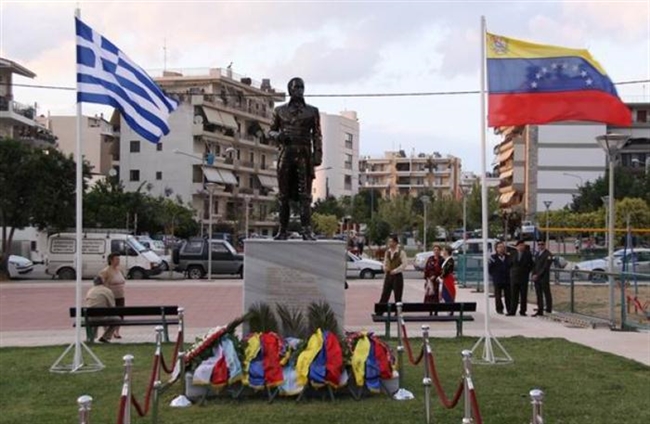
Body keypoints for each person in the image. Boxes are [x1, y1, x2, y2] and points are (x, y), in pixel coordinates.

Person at [268, 77, 323, 240]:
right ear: (290, 90)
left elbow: (317, 135)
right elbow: (270, 131)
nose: (299, 90)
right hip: (286, 153)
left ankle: (306, 229)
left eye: (301, 87)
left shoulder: (312, 111)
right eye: (296, 87)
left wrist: (317, 155)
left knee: (305, 195)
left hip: (304, 155)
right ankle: (282, 230)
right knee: (283, 195)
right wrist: (279, 135)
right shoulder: (280, 111)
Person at [99, 253, 126, 339]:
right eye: (116, 259)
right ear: (111, 260)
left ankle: (117, 331)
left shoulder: (120, 269)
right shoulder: (106, 271)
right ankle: (108, 332)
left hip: (120, 295)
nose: (118, 261)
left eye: (119, 259)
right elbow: (101, 284)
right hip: (110, 296)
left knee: (120, 313)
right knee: (111, 314)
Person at [84, 276, 118, 343]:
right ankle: (106, 336)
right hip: (102, 316)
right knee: (117, 319)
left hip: (90, 317)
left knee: (94, 317)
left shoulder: (90, 291)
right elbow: (112, 306)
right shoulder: (107, 291)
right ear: (103, 282)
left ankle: (92, 337)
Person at [379, 235, 408, 303]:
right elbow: (385, 261)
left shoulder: (401, 252)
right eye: (389, 242)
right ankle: (380, 311)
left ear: (395, 242)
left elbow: (404, 264)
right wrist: (384, 268)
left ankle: (397, 312)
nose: (389, 243)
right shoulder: (387, 252)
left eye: (391, 241)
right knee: (385, 294)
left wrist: (395, 271)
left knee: (398, 296)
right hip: (388, 275)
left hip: (397, 276)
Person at [509, 240, 534, 316]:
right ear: (517, 247)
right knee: (514, 295)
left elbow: (531, 264)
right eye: (520, 245)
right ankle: (512, 310)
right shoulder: (513, 254)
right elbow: (509, 264)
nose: (521, 247)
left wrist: (527, 272)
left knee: (523, 295)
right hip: (514, 277)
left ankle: (523, 311)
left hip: (523, 277)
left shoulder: (528, 254)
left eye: (523, 245)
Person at [488, 241, 511, 315]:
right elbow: (490, 269)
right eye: (499, 247)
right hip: (497, 279)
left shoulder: (508, 257)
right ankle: (499, 309)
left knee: (508, 295)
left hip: (507, 279)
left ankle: (509, 309)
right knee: (498, 296)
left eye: (503, 247)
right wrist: (494, 275)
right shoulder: (493, 258)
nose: (501, 248)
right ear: (496, 249)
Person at [531, 240, 553, 316]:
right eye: (539, 244)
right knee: (538, 294)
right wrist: (533, 274)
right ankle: (540, 310)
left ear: (545, 245)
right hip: (537, 278)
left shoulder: (548, 254)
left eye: (542, 244)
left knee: (546, 293)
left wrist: (538, 275)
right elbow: (534, 265)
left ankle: (548, 310)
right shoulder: (537, 254)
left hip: (544, 277)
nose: (540, 246)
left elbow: (545, 267)